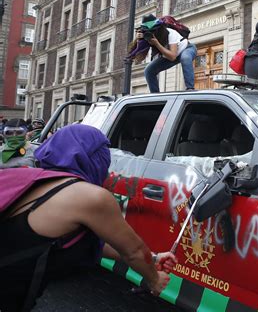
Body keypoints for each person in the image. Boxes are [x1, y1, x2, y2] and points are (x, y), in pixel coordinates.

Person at [0, 124, 177, 311]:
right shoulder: (90, 197)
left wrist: (153, 258)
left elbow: (97, 243)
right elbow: (133, 251)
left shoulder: (36, 179)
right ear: (94, 157)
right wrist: (154, 279)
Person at [143, 14, 197, 92]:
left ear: (158, 29)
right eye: (149, 31)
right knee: (148, 70)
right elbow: (138, 58)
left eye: (153, 30)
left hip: (186, 49)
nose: (152, 33)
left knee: (185, 58)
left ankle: (190, 88)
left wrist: (157, 44)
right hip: (169, 56)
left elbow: (172, 56)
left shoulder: (170, 33)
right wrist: (139, 42)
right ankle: (155, 96)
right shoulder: (147, 37)